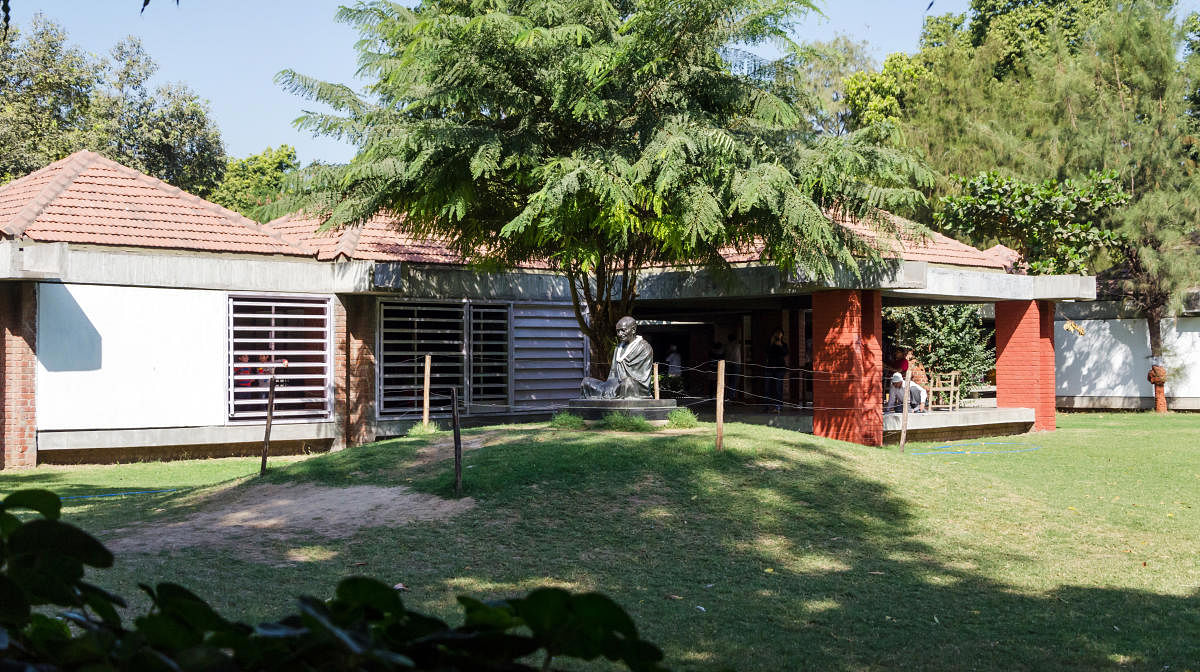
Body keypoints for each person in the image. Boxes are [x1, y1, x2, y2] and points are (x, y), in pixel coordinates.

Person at [580, 316, 655, 399]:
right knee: (586, 382)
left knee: (627, 383)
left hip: (634, 387)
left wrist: (618, 384)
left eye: (623, 330)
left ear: (633, 330)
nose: (620, 334)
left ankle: (615, 394)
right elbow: (612, 374)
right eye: (618, 331)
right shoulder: (618, 348)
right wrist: (609, 385)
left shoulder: (644, 348)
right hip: (617, 384)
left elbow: (641, 377)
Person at [764, 328, 788, 412]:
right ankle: (766, 406)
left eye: (779, 334)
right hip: (769, 368)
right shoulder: (770, 344)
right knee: (767, 388)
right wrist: (771, 343)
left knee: (778, 388)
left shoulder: (783, 344)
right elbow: (766, 352)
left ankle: (778, 406)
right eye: (776, 334)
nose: (778, 335)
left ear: (782, 335)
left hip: (780, 368)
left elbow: (785, 353)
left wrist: (780, 345)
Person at [724, 332, 742, 401]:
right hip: (736, 364)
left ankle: (729, 395)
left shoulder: (727, 345)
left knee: (729, 380)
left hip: (728, 363)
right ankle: (731, 396)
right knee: (734, 381)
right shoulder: (737, 345)